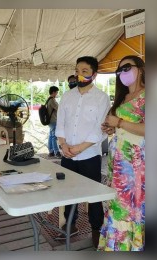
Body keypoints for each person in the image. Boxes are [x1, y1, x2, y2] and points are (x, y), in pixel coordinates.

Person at [55, 56, 110, 247]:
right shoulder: (67, 96)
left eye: (85, 71)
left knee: (94, 194)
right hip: (67, 154)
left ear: (94, 75)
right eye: (77, 70)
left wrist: (78, 148)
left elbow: (100, 129)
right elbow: (60, 123)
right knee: (68, 192)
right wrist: (63, 145)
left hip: (89, 155)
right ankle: (70, 225)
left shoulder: (101, 98)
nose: (79, 74)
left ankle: (96, 229)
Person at [98, 55, 145, 251]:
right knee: (116, 204)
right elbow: (124, 127)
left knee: (130, 207)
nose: (122, 73)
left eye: (126, 67)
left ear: (140, 68)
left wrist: (119, 123)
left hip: (136, 164)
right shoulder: (122, 97)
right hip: (117, 161)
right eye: (119, 70)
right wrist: (112, 128)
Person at [47, 86, 61, 158]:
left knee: (51, 136)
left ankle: (51, 151)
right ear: (53, 92)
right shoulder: (52, 100)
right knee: (54, 137)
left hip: (50, 121)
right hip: (53, 120)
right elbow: (59, 108)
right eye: (56, 92)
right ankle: (56, 152)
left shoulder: (48, 99)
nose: (57, 94)